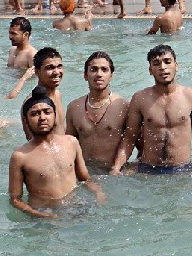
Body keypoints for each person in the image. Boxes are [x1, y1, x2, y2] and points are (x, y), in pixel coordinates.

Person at [110, 44, 192, 175]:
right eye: (156, 63)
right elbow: (129, 138)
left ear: (176, 66)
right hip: (148, 169)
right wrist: (116, 167)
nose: (162, 67)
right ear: (150, 70)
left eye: (167, 62)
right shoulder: (140, 99)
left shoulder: (190, 96)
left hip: (182, 170)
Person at [9, 86, 103, 218]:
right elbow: (15, 199)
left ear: (55, 115)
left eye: (47, 112)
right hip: (44, 213)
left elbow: (85, 178)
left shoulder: (71, 142)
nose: (42, 117)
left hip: (76, 206)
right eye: (35, 114)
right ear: (25, 120)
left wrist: (98, 194)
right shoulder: (20, 156)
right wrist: (38, 214)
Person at [65, 51, 129, 169]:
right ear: (85, 75)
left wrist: (117, 168)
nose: (99, 74)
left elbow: (133, 142)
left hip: (113, 171)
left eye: (104, 70)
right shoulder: (74, 107)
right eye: (93, 69)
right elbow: (68, 145)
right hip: (84, 171)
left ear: (111, 75)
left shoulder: (123, 106)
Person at [20, 47, 67, 139]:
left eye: (59, 66)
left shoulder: (58, 94)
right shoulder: (32, 104)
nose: (56, 72)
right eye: (50, 68)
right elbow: (33, 143)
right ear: (37, 72)